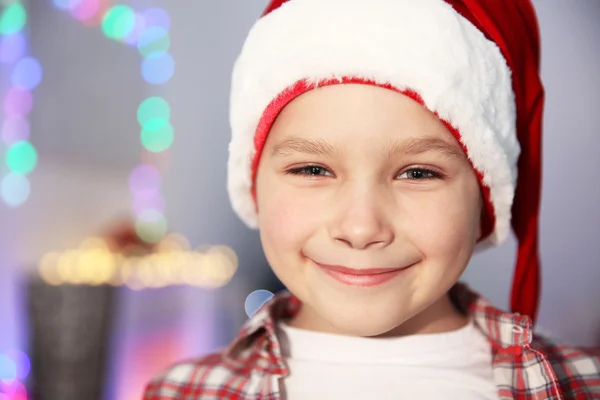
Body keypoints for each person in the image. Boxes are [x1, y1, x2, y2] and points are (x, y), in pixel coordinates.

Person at [143, 0, 600, 398]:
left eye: (418, 173)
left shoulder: (584, 383)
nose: (361, 229)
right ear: (253, 182)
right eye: (313, 170)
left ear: (484, 197)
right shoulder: (180, 392)